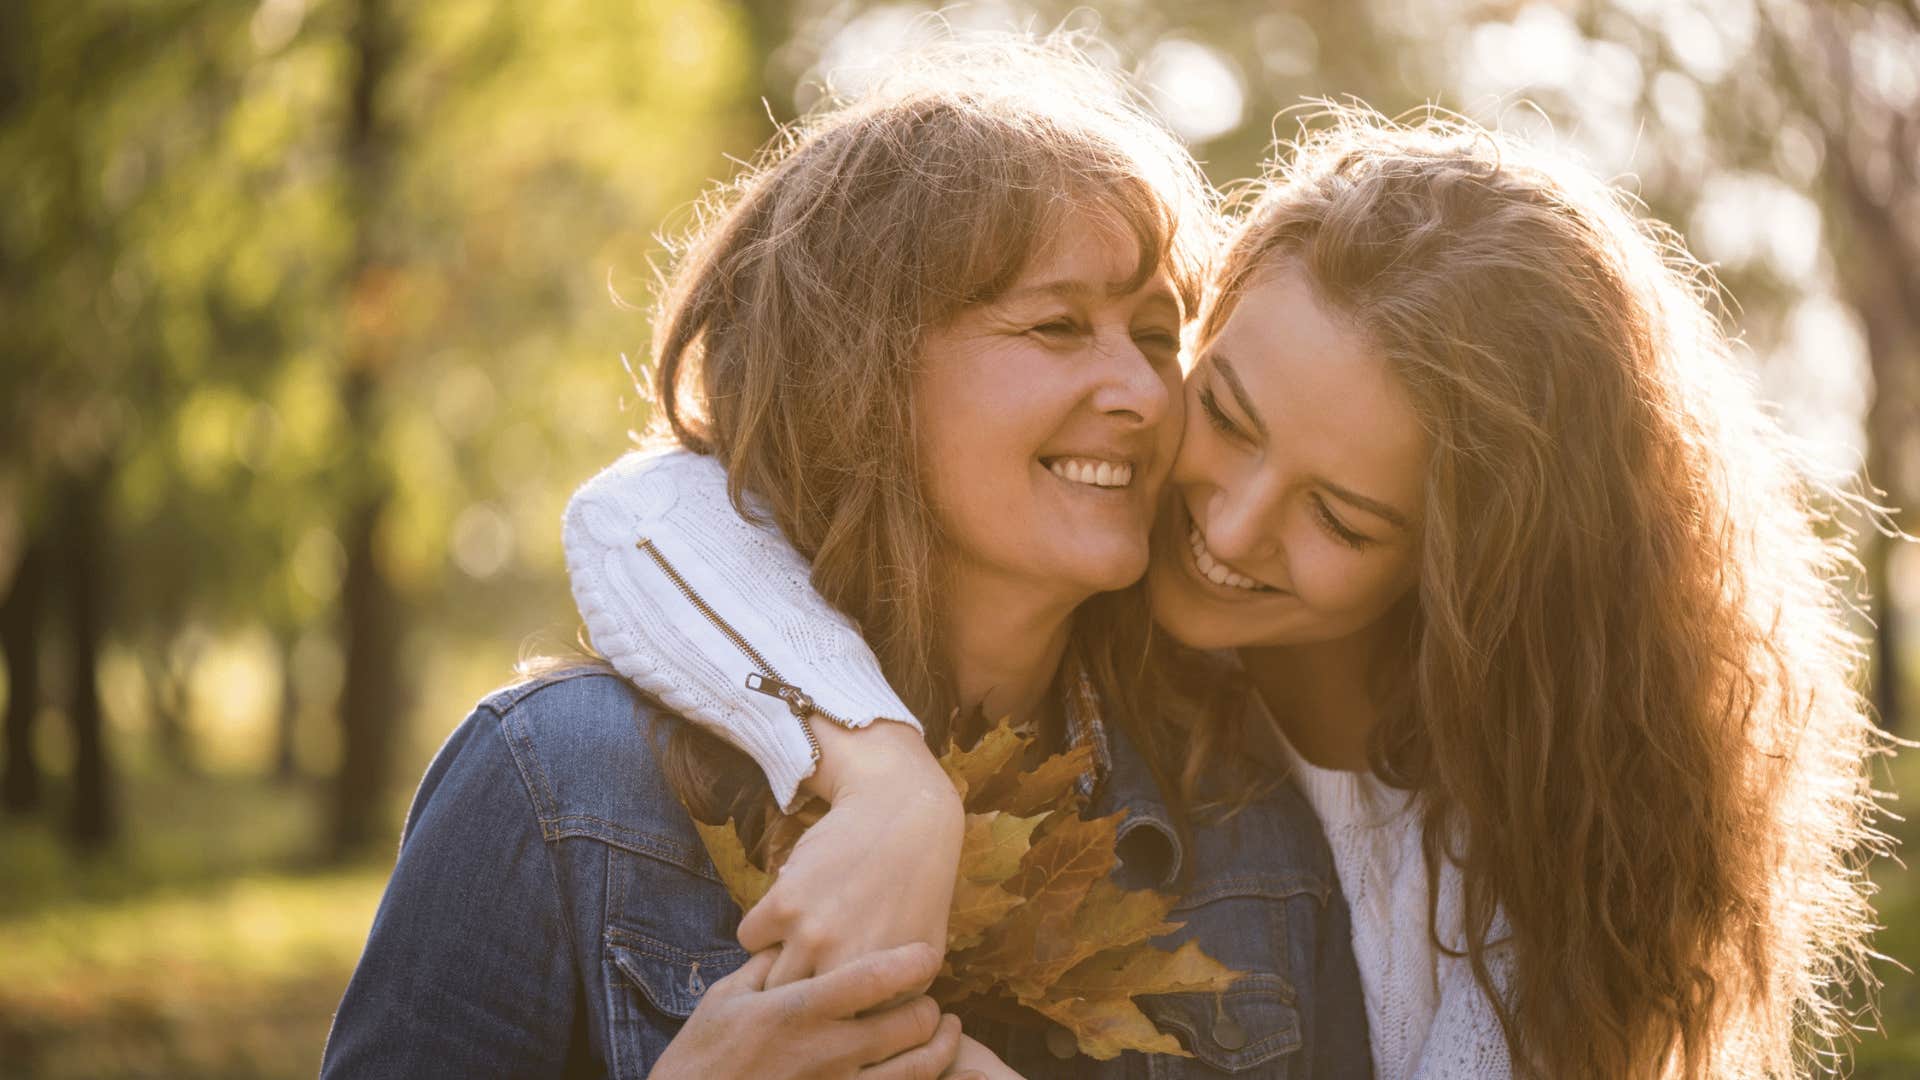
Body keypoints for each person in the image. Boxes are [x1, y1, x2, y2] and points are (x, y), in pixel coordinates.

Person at [580, 106, 1889, 1078]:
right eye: (1228, 414)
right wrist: (885, 775)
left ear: (1466, 572)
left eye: (1339, 516)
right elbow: (648, 511)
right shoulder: (1092, 596)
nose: (1225, 522)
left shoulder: (1524, 854)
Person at [321, 42, 1372, 1080]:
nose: (1145, 396)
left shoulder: (1245, 827)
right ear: (854, 376)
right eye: (1057, 325)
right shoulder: (557, 788)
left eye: (1155, 336)